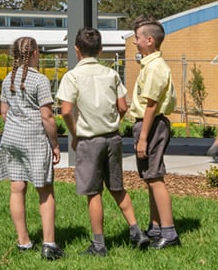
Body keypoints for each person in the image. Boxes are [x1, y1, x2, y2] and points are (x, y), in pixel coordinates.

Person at [57, 27, 150, 256]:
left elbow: (66, 110)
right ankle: (136, 231)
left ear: (77, 50)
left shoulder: (72, 76)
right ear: (100, 49)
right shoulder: (111, 74)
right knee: (117, 187)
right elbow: (123, 106)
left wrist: (75, 133)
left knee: (93, 192)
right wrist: (113, 122)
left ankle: (99, 244)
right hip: (113, 138)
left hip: (89, 140)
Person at [0, 36, 64, 260]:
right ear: (34, 53)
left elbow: (4, 112)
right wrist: (55, 143)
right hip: (34, 138)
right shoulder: (39, 80)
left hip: (12, 138)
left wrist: (15, 126)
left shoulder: (7, 80)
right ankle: (49, 244)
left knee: (17, 188)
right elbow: (47, 116)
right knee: (44, 189)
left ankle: (23, 241)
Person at [127, 17, 180, 249]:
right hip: (148, 124)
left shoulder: (156, 67)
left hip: (152, 125)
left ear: (150, 40)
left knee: (155, 177)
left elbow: (151, 104)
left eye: (137, 38)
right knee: (150, 177)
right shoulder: (149, 65)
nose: (135, 42)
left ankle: (169, 233)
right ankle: (156, 226)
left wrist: (143, 137)